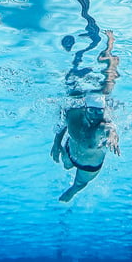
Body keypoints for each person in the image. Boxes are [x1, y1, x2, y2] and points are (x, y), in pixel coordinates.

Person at [51, 30, 120, 202]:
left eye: (100, 111)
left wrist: (113, 137)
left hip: (88, 165)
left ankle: (73, 191)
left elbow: (110, 129)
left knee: (79, 183)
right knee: (66, 165)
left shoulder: (103, 126)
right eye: (93, 111)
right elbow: (62, 123)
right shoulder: (74, 115)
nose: (97, 116)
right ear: (85, 109)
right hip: (70, 149)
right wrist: (56, 143)